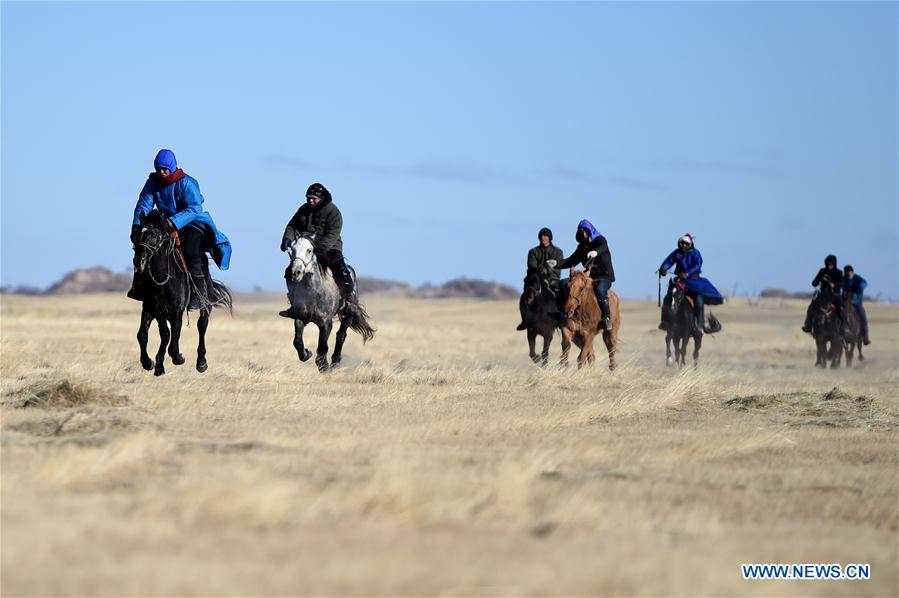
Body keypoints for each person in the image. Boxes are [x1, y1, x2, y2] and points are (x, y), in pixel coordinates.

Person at [129, 149, 231, 310]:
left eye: (165, 169)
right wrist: (136, 226)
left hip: (193, 223)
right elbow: (144, 205)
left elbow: (194, 208)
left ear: (172, 167)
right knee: (144, 247)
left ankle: (199, 294)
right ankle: (139, 287)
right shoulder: (152, 182)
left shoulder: (187, 182)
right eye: (158, 169)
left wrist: (172, 223)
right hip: (164, 224)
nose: (161, 172)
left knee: (190, 251)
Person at [280, 182, 359, 316]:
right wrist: (287, 239)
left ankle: (348, 303)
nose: (310, 200)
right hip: (305, 248)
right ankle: (294, 304)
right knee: (290, 272)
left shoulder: (334, 212)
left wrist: (319, 248)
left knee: (342, 272)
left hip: (330, 248)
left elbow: (333, 234)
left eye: (313, 198)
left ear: (321, 199)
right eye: (308, 197)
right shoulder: (303, 209)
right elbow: (292, 226)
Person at [546, 219, 615, 330]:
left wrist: (596, 251)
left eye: (584, 232)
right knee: (562, 284)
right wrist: (556, 263)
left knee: (601, 290)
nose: (583, 236)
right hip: (588, 276)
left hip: (604, 276)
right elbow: (571, 260)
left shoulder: (600, 240)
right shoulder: (582, 247)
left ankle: (606, 318)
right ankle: (561, 313)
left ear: (588, 231)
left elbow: (603, 247)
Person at [657, 233, 724, 333]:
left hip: (694, 281)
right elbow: (669, 261)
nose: (684, 245)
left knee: (698, 300)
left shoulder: (695, 253)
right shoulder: (677, 253)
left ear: (690, 244)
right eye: (682, 243)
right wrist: (663, 268)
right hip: (680, 281)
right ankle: (665, 322)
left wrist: (687, 273)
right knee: (668, 297)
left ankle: (699, 326)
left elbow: (697, 265)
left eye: (686, 243)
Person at [516, 227, 564, 331]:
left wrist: (548, 271)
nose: (543, 238)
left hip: (552, 279)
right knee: (525, 296)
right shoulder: (533, 252)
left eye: (545, 236)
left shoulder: (558, 252)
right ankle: (525, 320)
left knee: (561, 293)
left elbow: (558, 267)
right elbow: (531, 265)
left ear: (550, 238)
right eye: (541, 236)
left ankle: (560, 318)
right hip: (535, 280)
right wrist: (541, 270)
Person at [801, 254, 843, 333]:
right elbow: (814, 282)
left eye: (830, 264)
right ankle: (808, 325)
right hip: (823, 295)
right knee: (811, 306)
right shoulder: (822, 271)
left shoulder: (839, 272)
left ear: (834, 264)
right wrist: (818, 281)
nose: (829, 266)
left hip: (835, 295)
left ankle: (843, 327)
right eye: (827, 264)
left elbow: (842, 284)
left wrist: (834, 285)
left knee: (841, 309)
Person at [842, 265, 870, 345]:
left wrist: (860, 287)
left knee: (863, 318)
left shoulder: (858, 278)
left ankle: (865, 338)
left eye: (850, 272)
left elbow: (865, 283)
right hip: (845, 303)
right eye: (847, 272)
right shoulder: (843, 279)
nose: (848, 274)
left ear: (852, 272)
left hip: (856, 303)